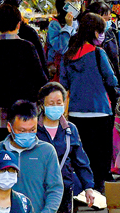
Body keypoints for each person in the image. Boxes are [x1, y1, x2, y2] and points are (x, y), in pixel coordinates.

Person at [0, 4, 48, 144]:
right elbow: (41, 80)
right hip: (25, 114)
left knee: (2, 155)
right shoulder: (28, 47)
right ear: (19, 25)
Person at [60, 14, 118, 193]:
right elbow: (111, 80)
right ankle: (98, 191)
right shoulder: (98, 53)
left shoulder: (67, 56)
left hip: (77, 114)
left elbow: (64, 84)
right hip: (100, 111)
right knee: (100, 156)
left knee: (81, 155)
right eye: (101, 31)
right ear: (94, 31)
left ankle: (85, 189)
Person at [0, 101, 63, 213]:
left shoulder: (47, 151)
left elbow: (55, 188)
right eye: (22, 131)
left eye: (32, 130)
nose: (27, 134)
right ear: (9, 127)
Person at [36, 83, 96, 211]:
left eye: (59, 102)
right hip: (38, 189)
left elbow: (80, 160)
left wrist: (88, 187)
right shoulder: (33, 129)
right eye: (51, 103)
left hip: (64, 188)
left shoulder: (70, 129)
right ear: (42, 105)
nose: (56, 106)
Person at [47, 0, 82, 80]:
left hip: (75, 68)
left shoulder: (78, 22)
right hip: (59, 71)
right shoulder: (55, 24)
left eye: (78, 1)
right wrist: (68, 27)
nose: (77, 4)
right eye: (72, 1)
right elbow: (61, 48)